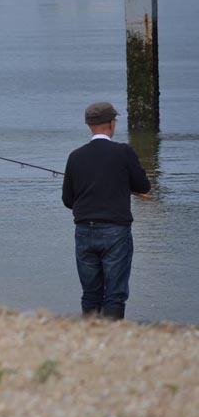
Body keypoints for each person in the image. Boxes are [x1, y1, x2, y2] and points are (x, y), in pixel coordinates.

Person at [62, 101, 151, 320]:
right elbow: (143, 187)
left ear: (88, 125)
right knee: (115, 294)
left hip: (84, 231)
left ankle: (91, 337)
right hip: (115, 231)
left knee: (90, 294)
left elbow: (68, 199)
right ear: (111, 124)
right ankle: (113, 338)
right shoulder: (123, 152)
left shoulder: (75, 156)